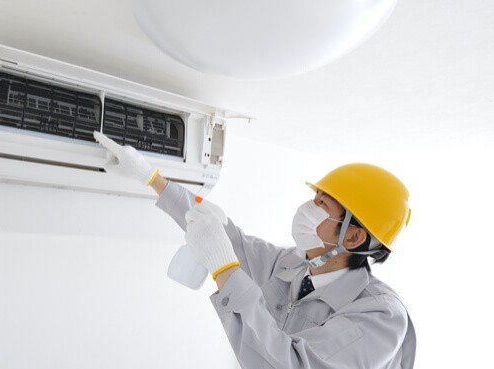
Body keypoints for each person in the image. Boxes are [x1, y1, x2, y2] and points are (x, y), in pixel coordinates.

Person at [94, 131, 416, 369]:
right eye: (313, 197)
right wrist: (150, 177)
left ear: (353, 238)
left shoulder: (380, 317)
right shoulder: (290, 264)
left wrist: (225, 271)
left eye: (320, 204)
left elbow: (295, 363)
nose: (307, 208)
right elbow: (226, 236)